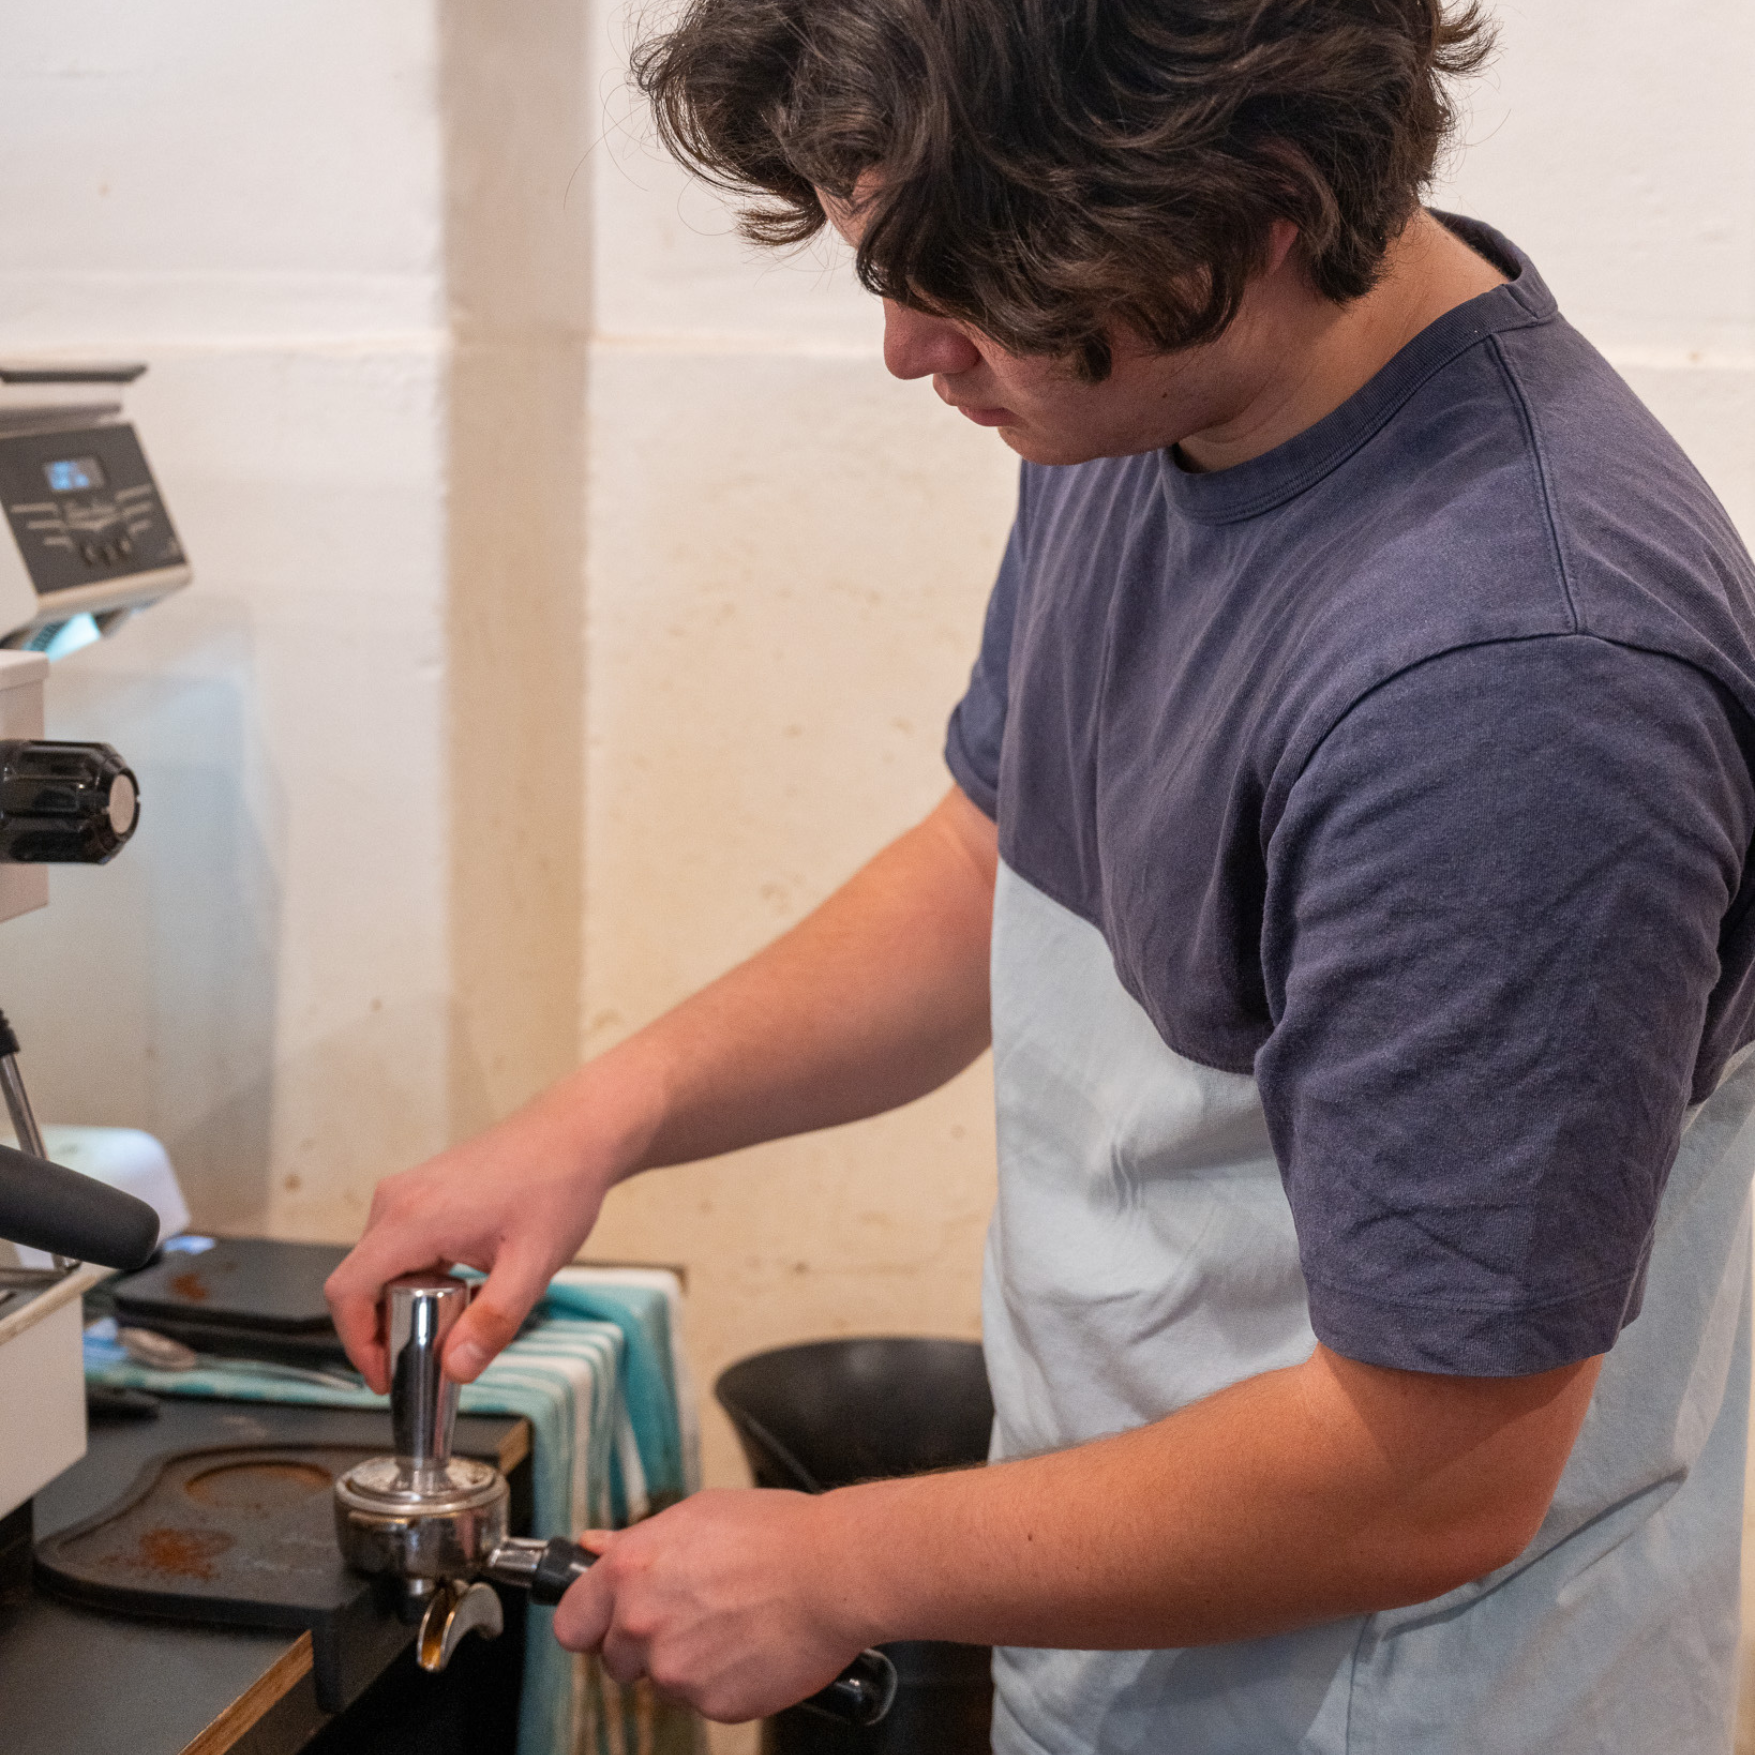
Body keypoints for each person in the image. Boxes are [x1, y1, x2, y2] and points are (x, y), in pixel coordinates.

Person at [326, 2, 1755, 1748]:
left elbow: (1434, 1471)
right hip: (1137, 1638)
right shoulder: (1150, 399)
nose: (907, 349)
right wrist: (603, 1115)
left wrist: (842, 1564)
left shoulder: (1516, 683)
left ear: (1263, 195)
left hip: (1390, 1699)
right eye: (884, 263)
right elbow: (994, 854)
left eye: (968, 278)